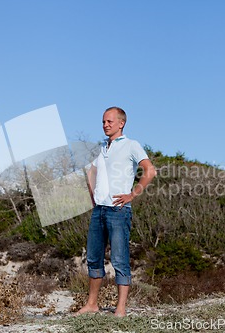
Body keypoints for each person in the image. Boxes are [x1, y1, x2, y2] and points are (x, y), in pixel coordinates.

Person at [77, 106, 157, 317]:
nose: (105, 125)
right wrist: (93, 196)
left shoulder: (131, 145)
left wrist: (133, 194)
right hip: (99, 211)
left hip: (119, 211)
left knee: (120, 259)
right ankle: (92, 304)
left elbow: (150, 170)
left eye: (109, 122)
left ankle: (120, 308)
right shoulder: (102, 147)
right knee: (94, 258)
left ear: (121, 123)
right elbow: (91, 171)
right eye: (103, 122)